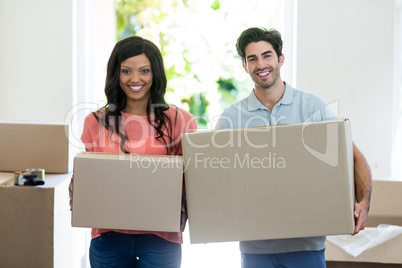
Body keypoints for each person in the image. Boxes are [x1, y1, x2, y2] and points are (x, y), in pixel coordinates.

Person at [215, 27, 372, 268]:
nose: (260, 64)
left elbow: (355, 157)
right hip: (255, 248)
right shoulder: (231, 118)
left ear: (281, 59)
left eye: (267, 55)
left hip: (307, 245)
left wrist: (363, 203)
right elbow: (214, 176)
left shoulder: (312, 107)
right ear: (245, 67)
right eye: (252, 58)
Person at [69, 36, 197, 268]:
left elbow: (191, 181)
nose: (135, 79)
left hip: (161, 238)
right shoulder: (95, 121)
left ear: (155, 73)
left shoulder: (181, 120)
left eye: (144, 71)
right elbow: (89, 178)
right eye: (126, 71)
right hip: (108, 237)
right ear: (115, 75)